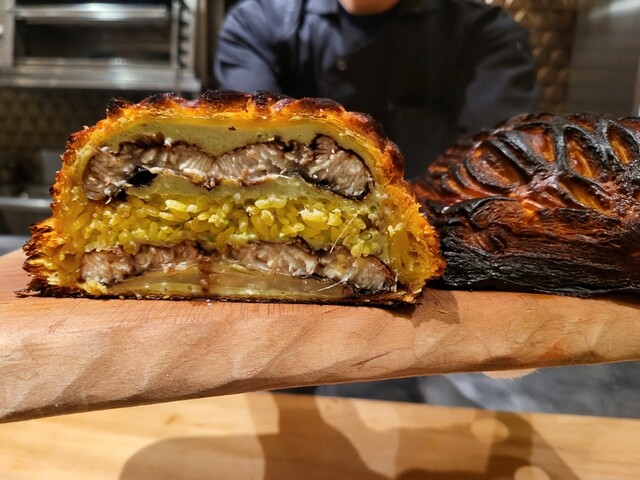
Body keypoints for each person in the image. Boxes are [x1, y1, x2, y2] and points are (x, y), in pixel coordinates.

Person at [213, 0, 540, 179]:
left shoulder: (486, 35)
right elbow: (254, 149)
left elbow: (495, 166)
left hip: (441, 239)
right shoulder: (256, 25)